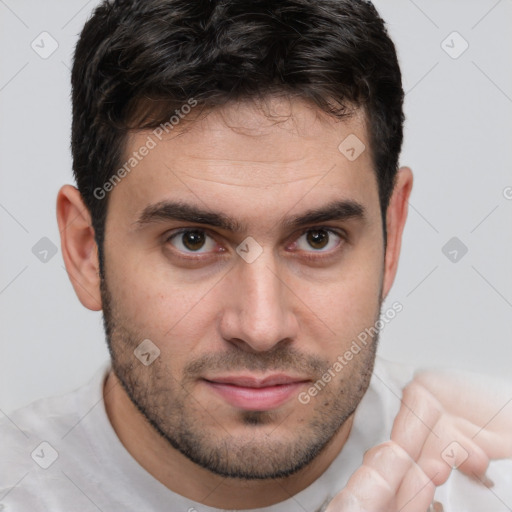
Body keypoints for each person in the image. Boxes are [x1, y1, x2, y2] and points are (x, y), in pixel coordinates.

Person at [1, 0, 511, 510]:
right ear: (86, 251)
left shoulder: (489, 478)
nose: (262, 327)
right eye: (193, 240)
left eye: (318, 238)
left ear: (391, 234)